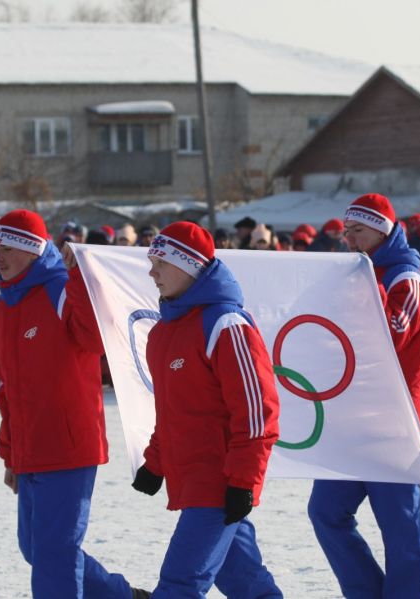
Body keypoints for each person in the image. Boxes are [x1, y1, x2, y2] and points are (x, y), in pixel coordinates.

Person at [0, 209, 147, 598]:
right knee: (36, 550)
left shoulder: (61, 289)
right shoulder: (0, 309)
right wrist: (12, 455)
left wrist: (77, 278)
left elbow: (95, 341)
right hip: (30, 452)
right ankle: (123, 596)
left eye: (8, 247)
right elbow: (7, 389)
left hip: (70, 449)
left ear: (31, 250)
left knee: (55, 554)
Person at [132, 221, 282, 598]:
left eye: (160, 263)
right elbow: (172, 412)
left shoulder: (226, 324)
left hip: (219, 482)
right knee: (246, 584)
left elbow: (256, 412)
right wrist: (156, 463)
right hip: (193, 479)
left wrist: (243, 482)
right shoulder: (163, 333)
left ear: (188, 266)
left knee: (180, 581)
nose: (152, 272)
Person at [308, 193, 420, 598]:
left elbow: (392, 335)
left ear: (381, 230)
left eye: (357, 231)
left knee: (400, 528)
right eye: (346, 231)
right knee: (325, 512)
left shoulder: (407, 280)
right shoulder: (356, 272)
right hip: (351, 419)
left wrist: (362, 285)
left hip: (393, 425)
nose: (348, 239)